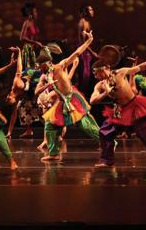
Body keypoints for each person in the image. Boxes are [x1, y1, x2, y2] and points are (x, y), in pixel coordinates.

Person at [90, 48, 146, 173]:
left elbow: (139, 67)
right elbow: (92, 100)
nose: (96, 76)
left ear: (105, 69)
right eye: (95, 74)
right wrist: (105, 93)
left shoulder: (120, 73)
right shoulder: (101, 85)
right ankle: (107, 161)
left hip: (135, 107)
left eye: (97, 73)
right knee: (104, 132)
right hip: (120, 110)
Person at [36, 30, 100, 162]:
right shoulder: (47, 75)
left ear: (47, 63)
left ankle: (108, 142)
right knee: (50, 125)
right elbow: (40, 90)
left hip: (72, 99)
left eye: (41, 66)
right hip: (62, 102)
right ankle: (54, 153)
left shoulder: (60, 66)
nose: (40, 69)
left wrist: (89, 41)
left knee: (86, 125)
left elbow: (76, 53)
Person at [73, 5, 99, 96]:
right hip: (83, 52)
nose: (92, 11)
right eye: (90, 10)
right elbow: (83, 42)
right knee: (84, 74)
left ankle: (85, 94)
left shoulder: (87, 22)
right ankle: (80, 95)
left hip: (87, 52)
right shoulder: (82, 23)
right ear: (85, 12)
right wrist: (92, 53)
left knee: (88, 74)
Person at [20, 2, 43, 70]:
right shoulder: (26, 23)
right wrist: (35, 42)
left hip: (33, 50)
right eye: (35, 12)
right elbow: (22, 37)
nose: (36, 13)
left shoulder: (33, 23)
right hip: (27, 50)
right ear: (30, 13)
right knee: (29, 71)